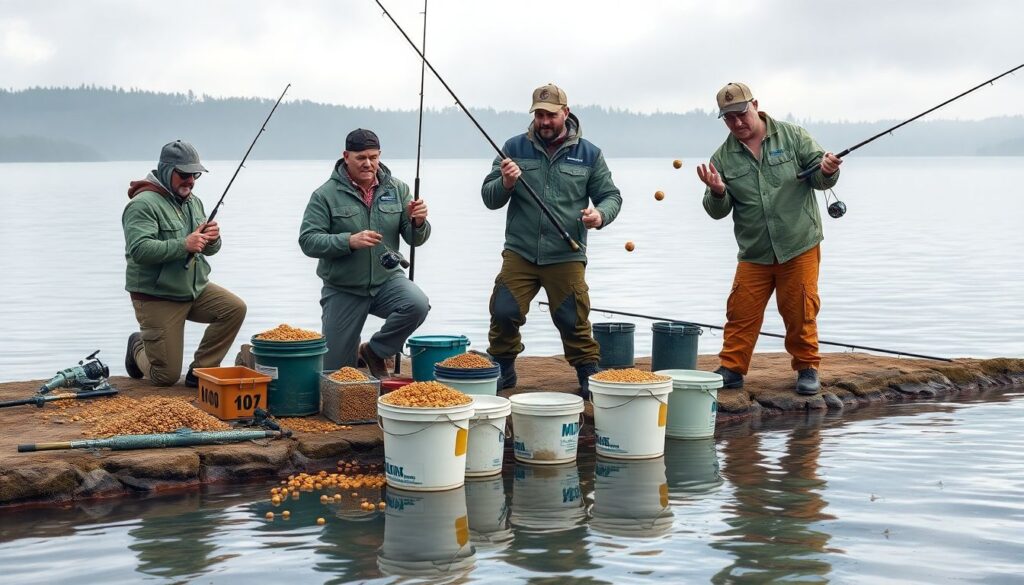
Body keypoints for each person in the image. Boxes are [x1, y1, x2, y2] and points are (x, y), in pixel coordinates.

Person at [696, 82, 842, 395]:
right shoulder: (721, 158)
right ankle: (732, 369)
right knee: (740, 312)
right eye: (728, 118)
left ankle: (807, 368)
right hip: (754, 251)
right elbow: (715, 211)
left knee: (801, 310)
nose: (736, 122)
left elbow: (819, 176)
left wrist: (828, 169)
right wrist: (718, 191)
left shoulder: (793, 136)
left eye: (740, 113)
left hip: (798, 243)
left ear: (755, 105)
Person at [481, 83, 622, 397]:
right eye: (539, 115)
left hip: (567, 252)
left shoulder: (589, 154)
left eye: (551, 115)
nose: (544, 122)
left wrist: (599, 215)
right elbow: (489, 197)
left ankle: (587, 371)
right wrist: (505, 182)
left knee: (573, 316)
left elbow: (611, 196)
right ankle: (504, 368)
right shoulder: (513, 148)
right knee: (504, 310)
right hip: (520, 250)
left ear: (566, 113)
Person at [298, 128, 431, 378]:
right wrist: (348, 241)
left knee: (417, 304)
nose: (368, 163)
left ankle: (376, 350)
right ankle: (351, 358)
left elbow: (414, 239)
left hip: (386, 281)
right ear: (346, 156)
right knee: (336, 373)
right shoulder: (324, 195)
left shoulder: (399, 189)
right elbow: (308, 241)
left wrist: (419, 222)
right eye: (361, 158)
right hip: (343, 288)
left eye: (373, 157)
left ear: (379, 155)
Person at [122, 140, 247, 387]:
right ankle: (138, 348)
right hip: (157, 295)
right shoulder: (142, 205)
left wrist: (213, 239)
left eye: (195, 175)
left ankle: (201, 370)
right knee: (165, 377)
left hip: (194, 288)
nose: (190, 181)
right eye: (184, 174)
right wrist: (183, 245)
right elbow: (139, 250)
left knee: (234, 309)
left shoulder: (194, 202)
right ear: (167, 170)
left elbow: (210, 250)